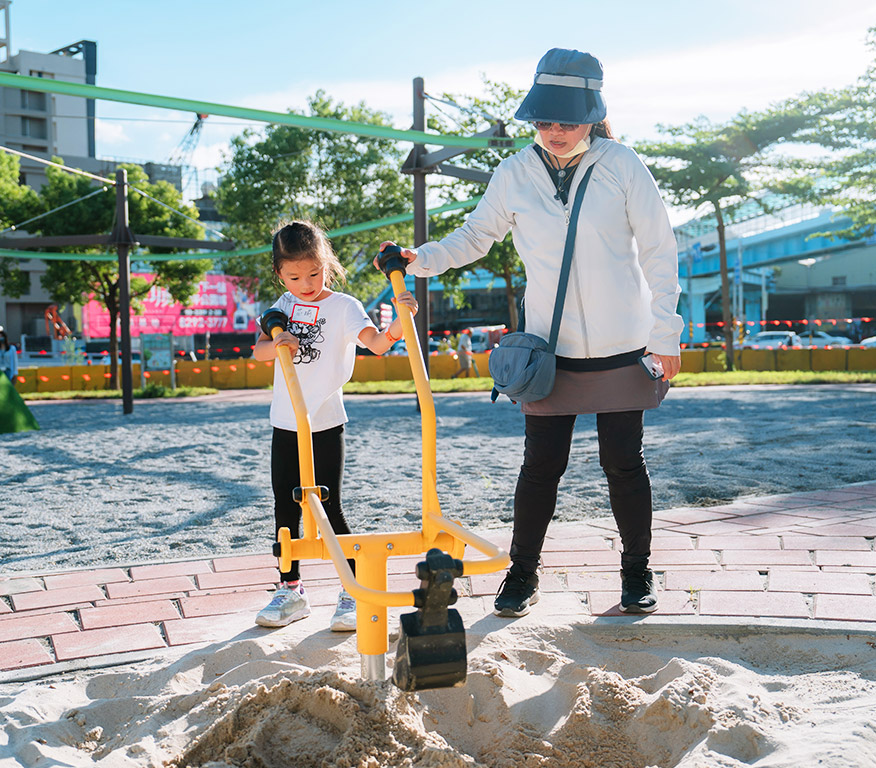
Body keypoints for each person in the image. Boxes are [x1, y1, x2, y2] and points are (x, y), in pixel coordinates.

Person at [377, 48, 682, 617]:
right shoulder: (515, 171)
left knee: (623, 462)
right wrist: (419, 258)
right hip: (551, 349)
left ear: (593, 113)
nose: (555, 131)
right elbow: (474, 237)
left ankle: (637, 572)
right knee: (541, 466)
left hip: (625, 344)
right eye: (544, 120)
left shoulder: (622, 164)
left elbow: (659, 251)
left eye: (566, 120)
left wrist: (666, 332)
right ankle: (521, 576)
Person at [252, 220, 418, 631]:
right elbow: (259, 353)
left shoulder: (343, 306)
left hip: (324, 422)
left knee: (329, 506)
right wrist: (278, 343)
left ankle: (351, 589)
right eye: (293, 276)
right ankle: (291, 590)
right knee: (285, 507)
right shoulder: (283, 305)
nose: (305, 283)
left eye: (313, 273)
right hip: (286, 422)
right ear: (279, 273)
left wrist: (400, 321)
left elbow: (377, 343)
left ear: (326, 264)